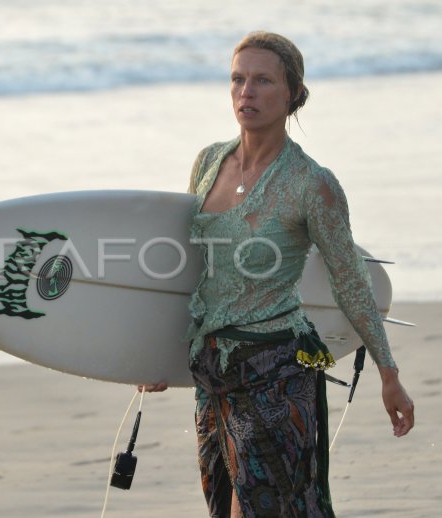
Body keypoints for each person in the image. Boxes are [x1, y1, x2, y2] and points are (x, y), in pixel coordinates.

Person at [140, 31, 414, 517]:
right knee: (222, 506)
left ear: (292, 94)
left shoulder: (313, 184)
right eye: (238, 79)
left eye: (263, 80)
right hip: (212, 368)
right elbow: (191, 270)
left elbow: (350, 281)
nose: (246, 91)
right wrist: (155, 357)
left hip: (276, 369)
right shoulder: (209, 162)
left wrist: (387, 374)